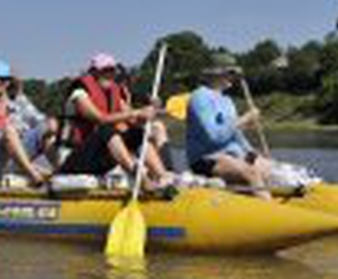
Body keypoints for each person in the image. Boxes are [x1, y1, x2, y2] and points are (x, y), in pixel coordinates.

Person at [58, 53, 173, 189]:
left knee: (137, 134)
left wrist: (147, 113)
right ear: (94, 72)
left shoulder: (115, 93)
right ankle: (141, 180)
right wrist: (136, 112)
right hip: (77, 159)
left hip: (101, 159)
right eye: (105, 70)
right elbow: (100, 118)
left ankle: (163, 177)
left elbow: (132, 119)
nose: (109, 74)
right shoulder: (79, 93)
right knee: (106, 129)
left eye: (112, 71)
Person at [184, 53, 272, 200]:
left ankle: (261, 200)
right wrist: (244, 119)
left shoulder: (227, 101)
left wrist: (252, 153)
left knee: (269, 169)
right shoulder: (200, 97)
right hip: (207, 159)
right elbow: (214, 137)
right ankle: (271, 214)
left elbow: (236, 135)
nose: (233, 77)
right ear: (216, 75)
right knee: (250, 172)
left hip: (232, 155)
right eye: (230, 73)